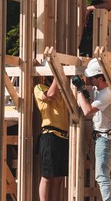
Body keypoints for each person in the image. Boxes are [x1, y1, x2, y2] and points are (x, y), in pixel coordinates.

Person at [75, 58, 111, 201]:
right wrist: (84, 92)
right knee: (101, 174)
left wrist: (80, 90)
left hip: (105, 138)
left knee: (101, 175)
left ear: (100, 78)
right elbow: (90, 101)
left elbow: (87, 111)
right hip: (100, 136)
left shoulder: (107, 94)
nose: (89, 79)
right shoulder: (97, 89)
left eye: (91, 77)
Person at [34, 61, 70, 201]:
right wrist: (58, 75)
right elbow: (50, 95)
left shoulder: (61, 91)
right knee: (47, 176)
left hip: (63, 137)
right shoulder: (39, 87)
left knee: (59, 177)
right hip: (50, 135)